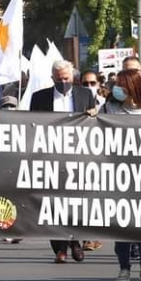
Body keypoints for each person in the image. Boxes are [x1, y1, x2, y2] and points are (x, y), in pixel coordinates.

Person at [30, 60, 96, 263]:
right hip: (50, 157)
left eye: (66, 79)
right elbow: (30, 124)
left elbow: (95, 124)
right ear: (53, 79)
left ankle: (75, 241)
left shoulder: (85, 95)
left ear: (73, 78)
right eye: (59, 79)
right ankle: (59, 248)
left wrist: (94, 115)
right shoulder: (39, 97)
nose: (63, 82)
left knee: (76, 200)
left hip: (78, 156)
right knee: (53, 201)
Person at [103, 69, 141, 281]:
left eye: (120, 84)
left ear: (132, 86)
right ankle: (124, 268)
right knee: (121, 224)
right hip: (116, 174)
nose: (116, 88)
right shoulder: (109, 108)